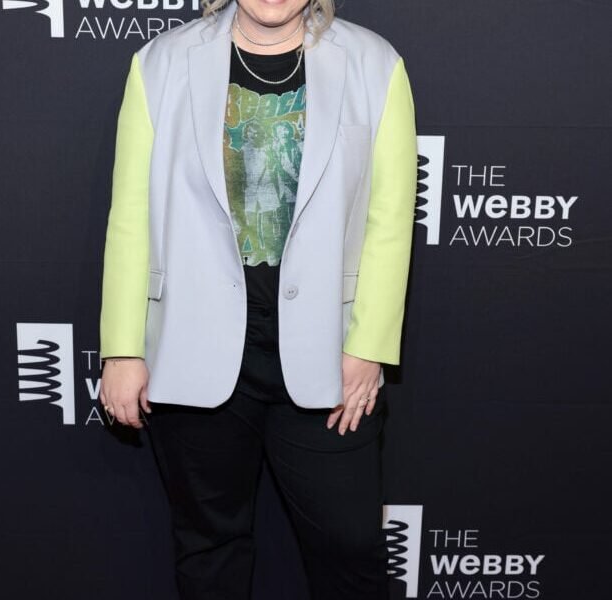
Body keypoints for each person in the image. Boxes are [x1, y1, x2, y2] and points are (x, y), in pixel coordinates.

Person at [98, 0, 417, 598]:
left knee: (351, 546)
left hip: (328, 351)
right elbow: (130, 215)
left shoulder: (375, 64)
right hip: (194, 345)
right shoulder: (161, 62)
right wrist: (121, 348)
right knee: (208, 545)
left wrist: (369, 346)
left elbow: (391, 220)